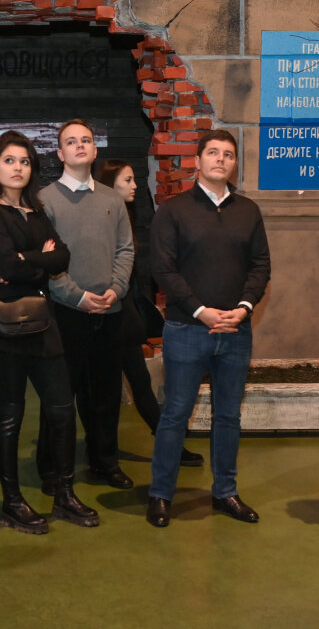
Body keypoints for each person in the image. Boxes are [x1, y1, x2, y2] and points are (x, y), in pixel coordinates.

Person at [0, 130, 99, 533]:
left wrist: (21, 261)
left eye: (25, 162)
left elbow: (61, 257)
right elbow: (6, 265)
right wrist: (33, 260)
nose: (18, 168)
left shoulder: (36, 210)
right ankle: (13, 503)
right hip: (2, 325)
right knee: (10, 414)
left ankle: (64, 494)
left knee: (61, 408)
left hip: (43, 321)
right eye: (10, 161)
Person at [146, 130, 271, 528]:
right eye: (213, 153)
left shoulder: (248, 211)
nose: (220, 159)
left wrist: (243, 309)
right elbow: (163, 268)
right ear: (197, 161)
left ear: (234, 164)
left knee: (228, 417)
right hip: (186, 329)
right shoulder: (173, 211)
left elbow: (260, 265)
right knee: (175, 415)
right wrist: (201, 311)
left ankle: (225, 492)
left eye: (228, 154)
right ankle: (161, 495)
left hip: (235, 331)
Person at [37, 119, 135, 493]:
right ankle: (52, 469)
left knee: (105, 396)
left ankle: (104, 462)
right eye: (71, 141)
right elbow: (45, 261)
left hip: (110, 311)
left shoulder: (112, 199)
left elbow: (126, 249)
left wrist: (116, 289)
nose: (79, 145)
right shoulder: (45, 201)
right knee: (60, 396)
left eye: (86, 140)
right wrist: (76, 296)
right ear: (60, 153)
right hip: (65, 314)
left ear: (95, 150)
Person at [92, 159, 203, 467]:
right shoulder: (105, 219)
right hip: (105, 315)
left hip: (124, 315)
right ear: (110, 184)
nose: (135, 185)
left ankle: (164, 447)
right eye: (127, 180)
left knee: (137, 385)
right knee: (108, 391)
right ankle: (104, 455)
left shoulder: (125, 216)